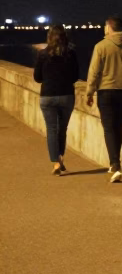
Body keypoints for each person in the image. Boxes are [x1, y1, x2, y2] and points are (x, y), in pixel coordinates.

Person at [85, 15, 122, 183]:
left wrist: (89, 92)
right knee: (117, 127)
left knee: (109, 128)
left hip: (106, 92)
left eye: (105, 27)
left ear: (109, 28)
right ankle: (115, 163)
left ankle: (115, 165)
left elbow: (94, 72)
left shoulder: (101, 46)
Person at [33, 24, 80, 175]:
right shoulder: (71, 53)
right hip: (66, 95)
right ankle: (60, 158)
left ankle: (56, 163)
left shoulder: (42, 54)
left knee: (52, 129)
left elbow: (37, 78)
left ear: (49, 37)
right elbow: (75, 76)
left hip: (47, 96)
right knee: (63, 129)